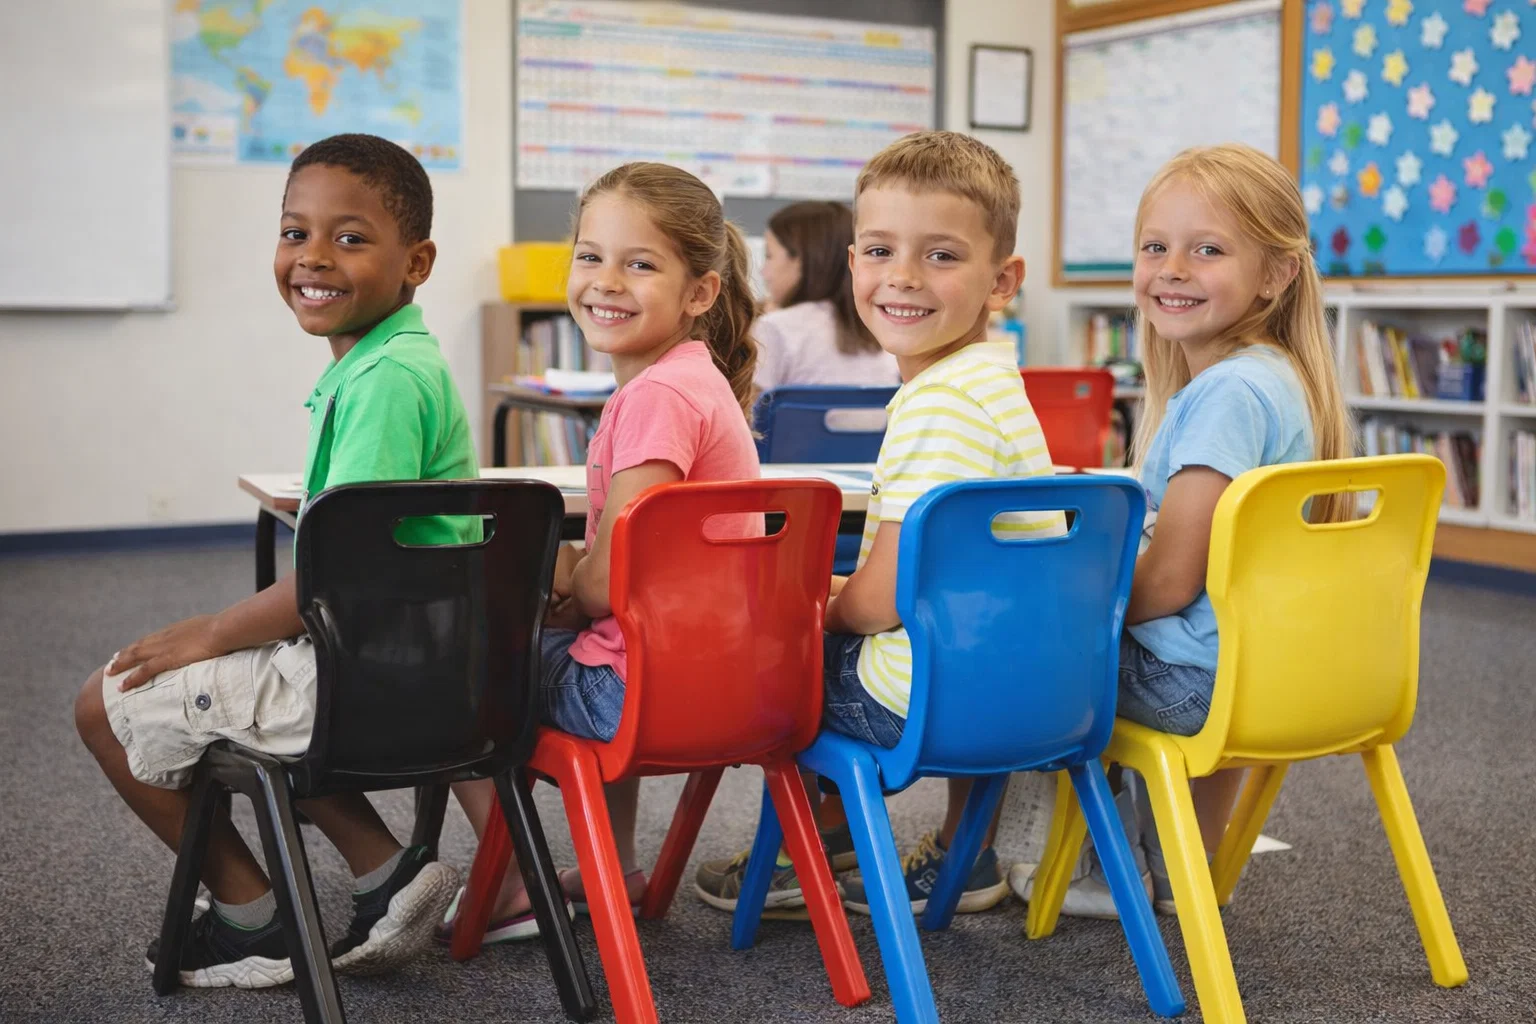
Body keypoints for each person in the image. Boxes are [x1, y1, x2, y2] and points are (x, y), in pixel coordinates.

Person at [73, 134, 477, 986]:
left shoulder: (381, 382)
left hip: (376, 680)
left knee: (104, 706)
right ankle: (388, 876)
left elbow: (342, 577)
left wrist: (211, 634)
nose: (313, 258)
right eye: (295, 233)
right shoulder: (391, 361)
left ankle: (253, 921)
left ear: (419, 261)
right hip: (424, 667)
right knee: (254, 681)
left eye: (350, 237)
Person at [695, 130, 1062, 919]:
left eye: (940, 256)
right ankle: (952, 853)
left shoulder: (940, 404)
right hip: (1026, 681)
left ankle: (812, 852)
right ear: (851, 260)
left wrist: (815, 604)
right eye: (879, 250)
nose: (901, 277)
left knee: (781, 661)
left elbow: (884, 601)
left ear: (1002, 281)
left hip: (939, 691)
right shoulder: (993, 381)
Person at [1020, 142, 1354, 919]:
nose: (1172, 268)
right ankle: (1181, 862)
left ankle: (1085, 871)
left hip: (1198, 685)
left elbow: (1171, 584)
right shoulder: (1280, 378)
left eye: (1207, 250)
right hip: (1276, 670)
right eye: (1154, 247)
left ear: (1276, 274)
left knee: (1015, 653)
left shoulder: (1227, 395)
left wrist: (1068, 609)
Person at [439, 161, 761, 942]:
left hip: (648, 691)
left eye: (639, 263)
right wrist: (572, 581)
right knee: (578, 634)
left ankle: (510, 877)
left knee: (456, 670)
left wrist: (554, 577)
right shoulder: (696, 380)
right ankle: (613, 863)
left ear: (700, 294)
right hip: (732, 677)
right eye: (590, 256)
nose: (605, 281)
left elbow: (612, 585)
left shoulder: (653, 399)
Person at [754, 200, 899, 393]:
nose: (764, 272)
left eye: (769, 256)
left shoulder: (774, 327)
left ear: (802, 260)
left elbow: (749, 414)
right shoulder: (885, 328)